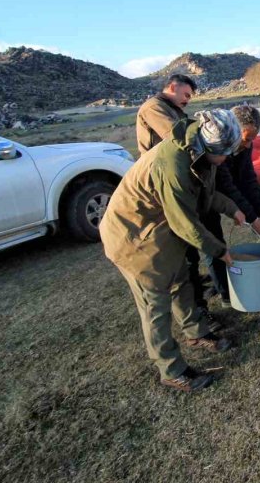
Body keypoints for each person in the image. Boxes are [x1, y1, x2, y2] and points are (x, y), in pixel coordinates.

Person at [100, 109, 246, 392]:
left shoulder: (199, 152)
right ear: (208, 146)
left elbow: (204, 192)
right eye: (224, 153)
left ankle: (196, 333)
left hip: (160, 231)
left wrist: (233, 208)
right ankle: (171, 370)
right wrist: (221, 252)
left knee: (181, 281)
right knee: (155, 304)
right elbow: (185, 223)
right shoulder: (173, 164)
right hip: (134, 237)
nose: (226, 159)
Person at [134, 73, 217, 324]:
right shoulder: (154, 108)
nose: (188, 100)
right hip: (162, 186)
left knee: (189, 246)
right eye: (186, 95)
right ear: (173, 87)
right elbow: (178, 136)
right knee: (183, 248)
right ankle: (198, 310)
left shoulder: (172, 108)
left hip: (175, 180)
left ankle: (197, 292)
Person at [203, 104, 260, 306]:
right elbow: (228, 186)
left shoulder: (246, 145)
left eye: (253, 138)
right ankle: (225, 292)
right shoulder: (220, 145)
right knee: (213, 240)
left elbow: (248, 180)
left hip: (221, 192)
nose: (249, 144)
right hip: (204, 195)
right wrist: (253, 219)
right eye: (246, 138)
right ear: (233, 131)